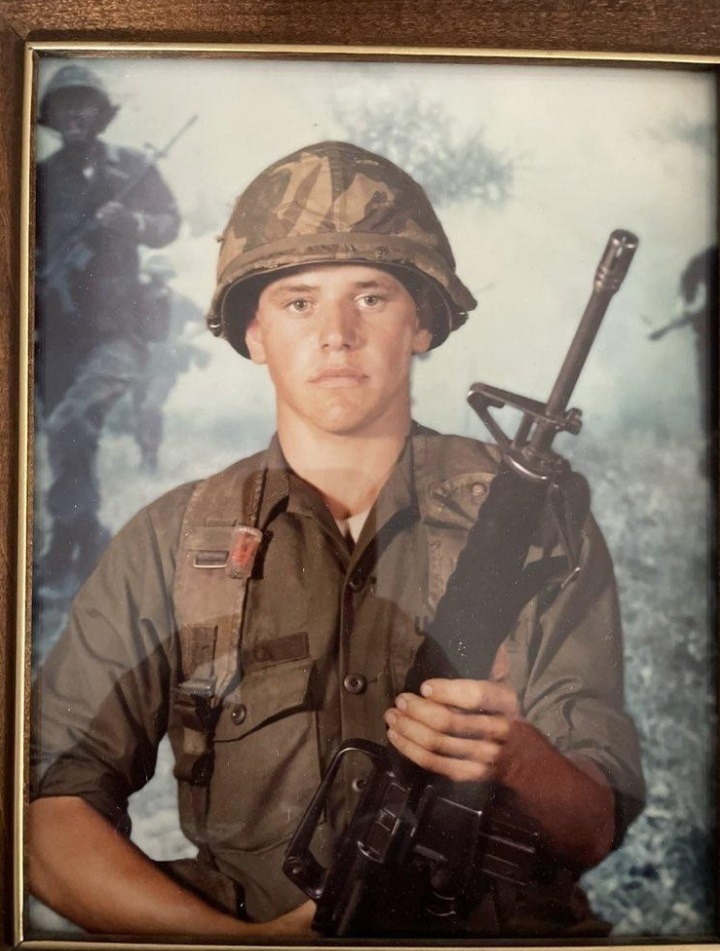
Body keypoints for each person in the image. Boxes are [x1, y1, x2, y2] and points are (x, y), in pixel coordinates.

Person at [29, 141, 645, 939]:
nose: (337, 334)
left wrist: (514, 757)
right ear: (253, 333)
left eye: (372, 297)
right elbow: (47, 817)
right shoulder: (173, 541)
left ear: (421, 321)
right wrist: (245, 943)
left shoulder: (534, 518)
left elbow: (592, 823)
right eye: (297, 302)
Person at [34, 64, 181, 593]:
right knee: (73, 440)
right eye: (63, 107)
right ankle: (83, 542)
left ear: (100, 114)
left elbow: (169, 223)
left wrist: (134, 224)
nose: (75, 114)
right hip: (56, 332)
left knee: (68, 424)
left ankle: (74, 539)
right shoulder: (40, 177)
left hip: (118, 328)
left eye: (85, 105)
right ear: (50, 117)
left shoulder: (131, 167)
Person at [129, 254, 209, 473]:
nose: (157, 279)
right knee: (138, 410)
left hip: (166, 363)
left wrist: (185, 339)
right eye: (153, 275)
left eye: (161, 275)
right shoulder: (137, 299)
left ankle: (151, 457)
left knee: (150, 406)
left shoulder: (178, 301)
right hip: (140, 362)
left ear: (167, 276)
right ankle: (145, 455)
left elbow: (208, 319)